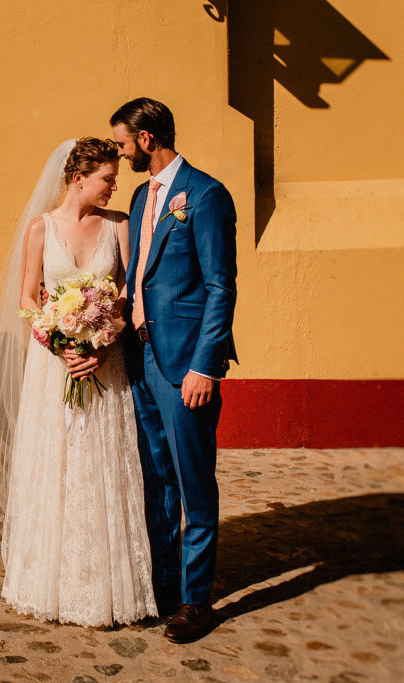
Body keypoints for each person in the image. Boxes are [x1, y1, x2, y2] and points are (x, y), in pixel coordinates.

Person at [0, 137, 156, 627]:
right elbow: (29, 297)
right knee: (55, 467)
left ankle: (104, 586)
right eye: (107, 179)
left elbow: (129, 299)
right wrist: (60, 342)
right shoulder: (39, 229)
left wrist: (102, 344)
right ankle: (46, 581)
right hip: (54, 370)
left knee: (101, 467)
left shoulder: (120, 227)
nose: (115, 186)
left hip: (104, 367)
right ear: (79, 178)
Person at [69, 98, 237, 643]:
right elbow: (133, 274)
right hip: (137, 360)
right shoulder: (142, 196)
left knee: (192, 482)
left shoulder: (207, 195)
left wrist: (205, 366)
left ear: (145, 139)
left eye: (121, 143)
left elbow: (220, 287)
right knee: (154, 477)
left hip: (184, 366)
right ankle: (162, 585)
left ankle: (195, 601)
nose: (118, 152)